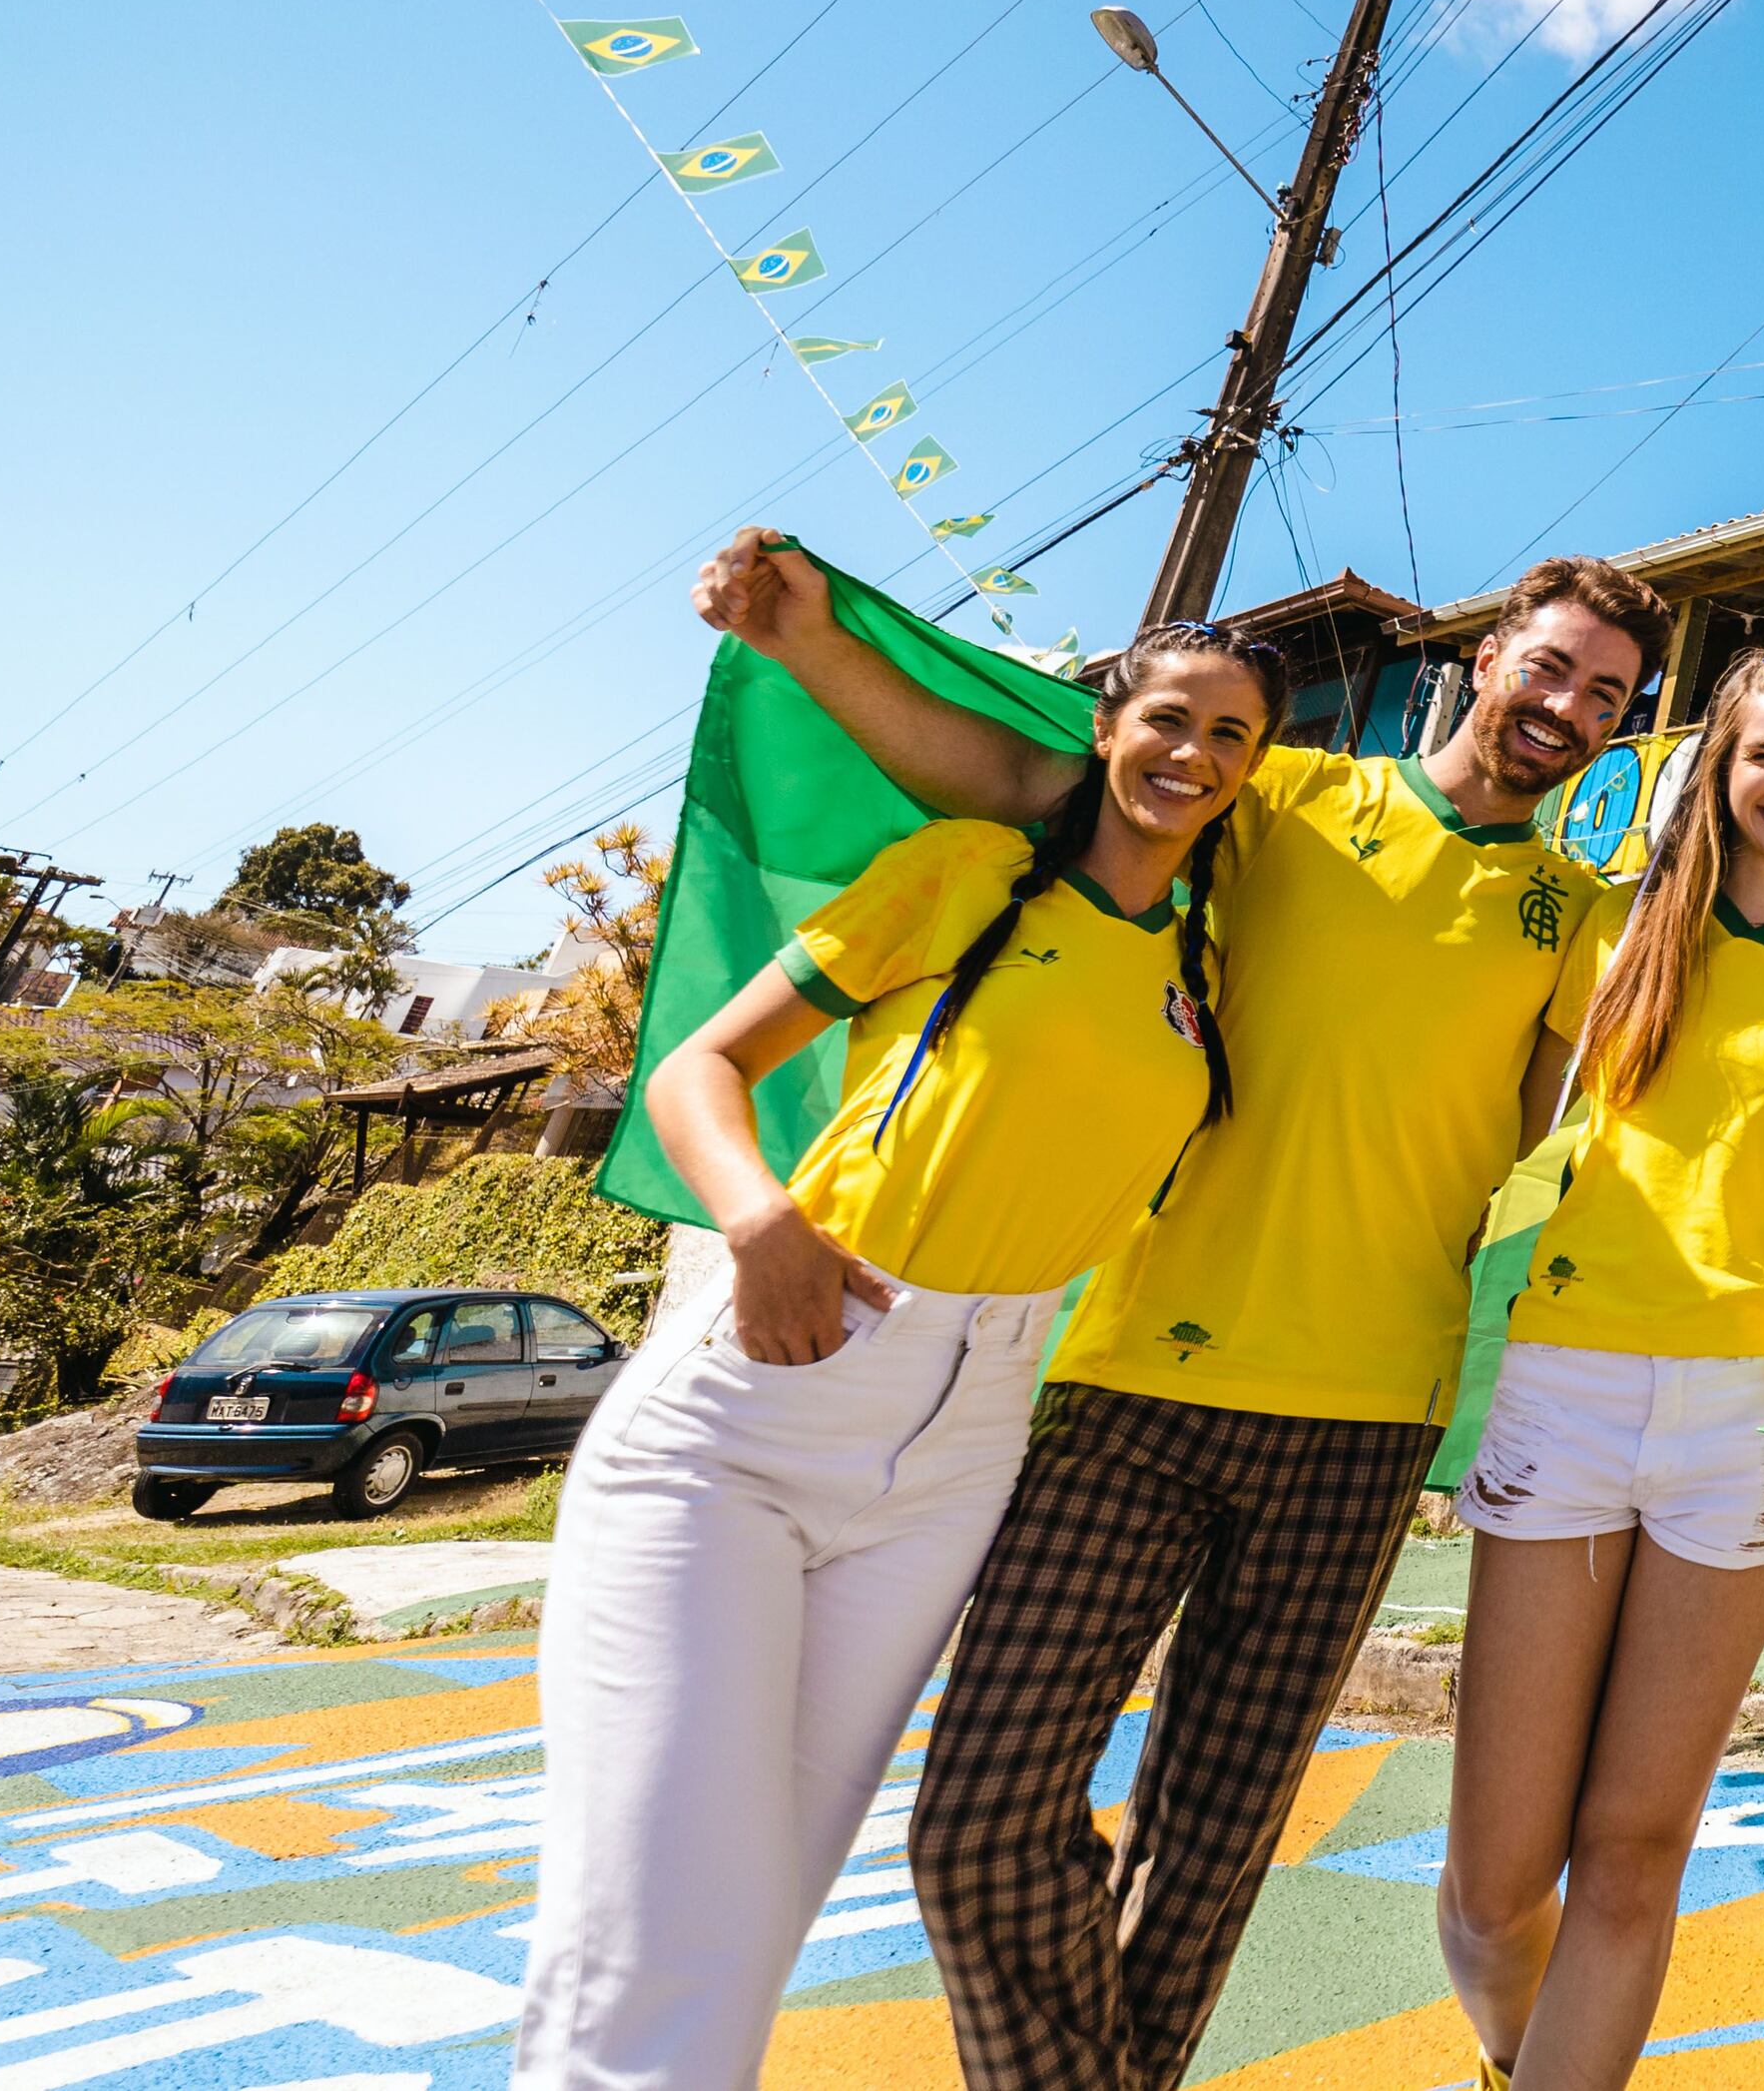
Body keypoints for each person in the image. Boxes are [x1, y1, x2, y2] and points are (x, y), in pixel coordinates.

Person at [688, 532, 1656, 2091]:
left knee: (1199, 1870)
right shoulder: (1287, 798)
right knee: (979, 1820)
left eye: (1605, 692)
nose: (1565, 703)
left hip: (1362, 1421)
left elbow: (1592, 1100)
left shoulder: (1572, 911)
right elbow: (1015, 774)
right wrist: (813, 646)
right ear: (1486, 659)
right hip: (1130, 1381)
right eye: (1546, 664)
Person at [520, 624, 1277, 2091]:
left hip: (967, 1446)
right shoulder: (970, 875)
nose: (1193, 755)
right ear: (1106, 727)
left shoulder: (1205, 958)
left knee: (758, 1909)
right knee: (657, 1909)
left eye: (1231, 736)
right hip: (761, 1396)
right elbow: (698, 1065)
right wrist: (757, 1220)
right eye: (1169, 718)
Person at [1436, 643, 1764, 2091]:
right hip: (1562, 1392)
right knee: (1493, 1888)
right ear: (1718, 762)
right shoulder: (1608, 928)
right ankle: (1527, 2057)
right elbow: (1513, 1130)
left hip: (1753, 1414)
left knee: (1636, 1852)